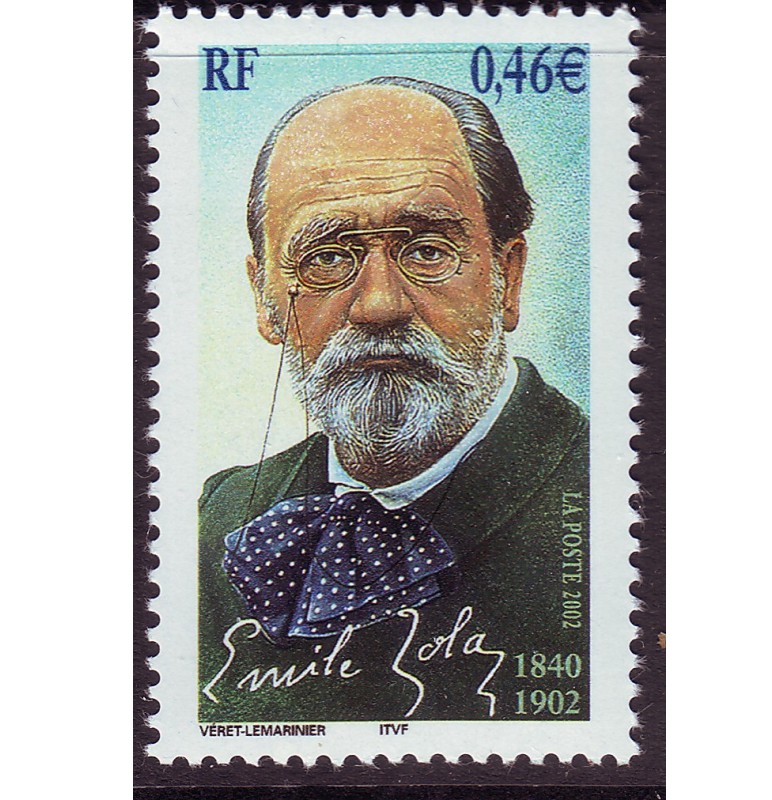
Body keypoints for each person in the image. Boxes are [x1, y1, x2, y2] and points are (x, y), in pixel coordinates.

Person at [198, 77, 589, 722]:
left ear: (508, 278)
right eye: (326, 258)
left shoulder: (625, 504)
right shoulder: (216, 521)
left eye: (429, 251)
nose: (380, 304)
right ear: (264, 299)